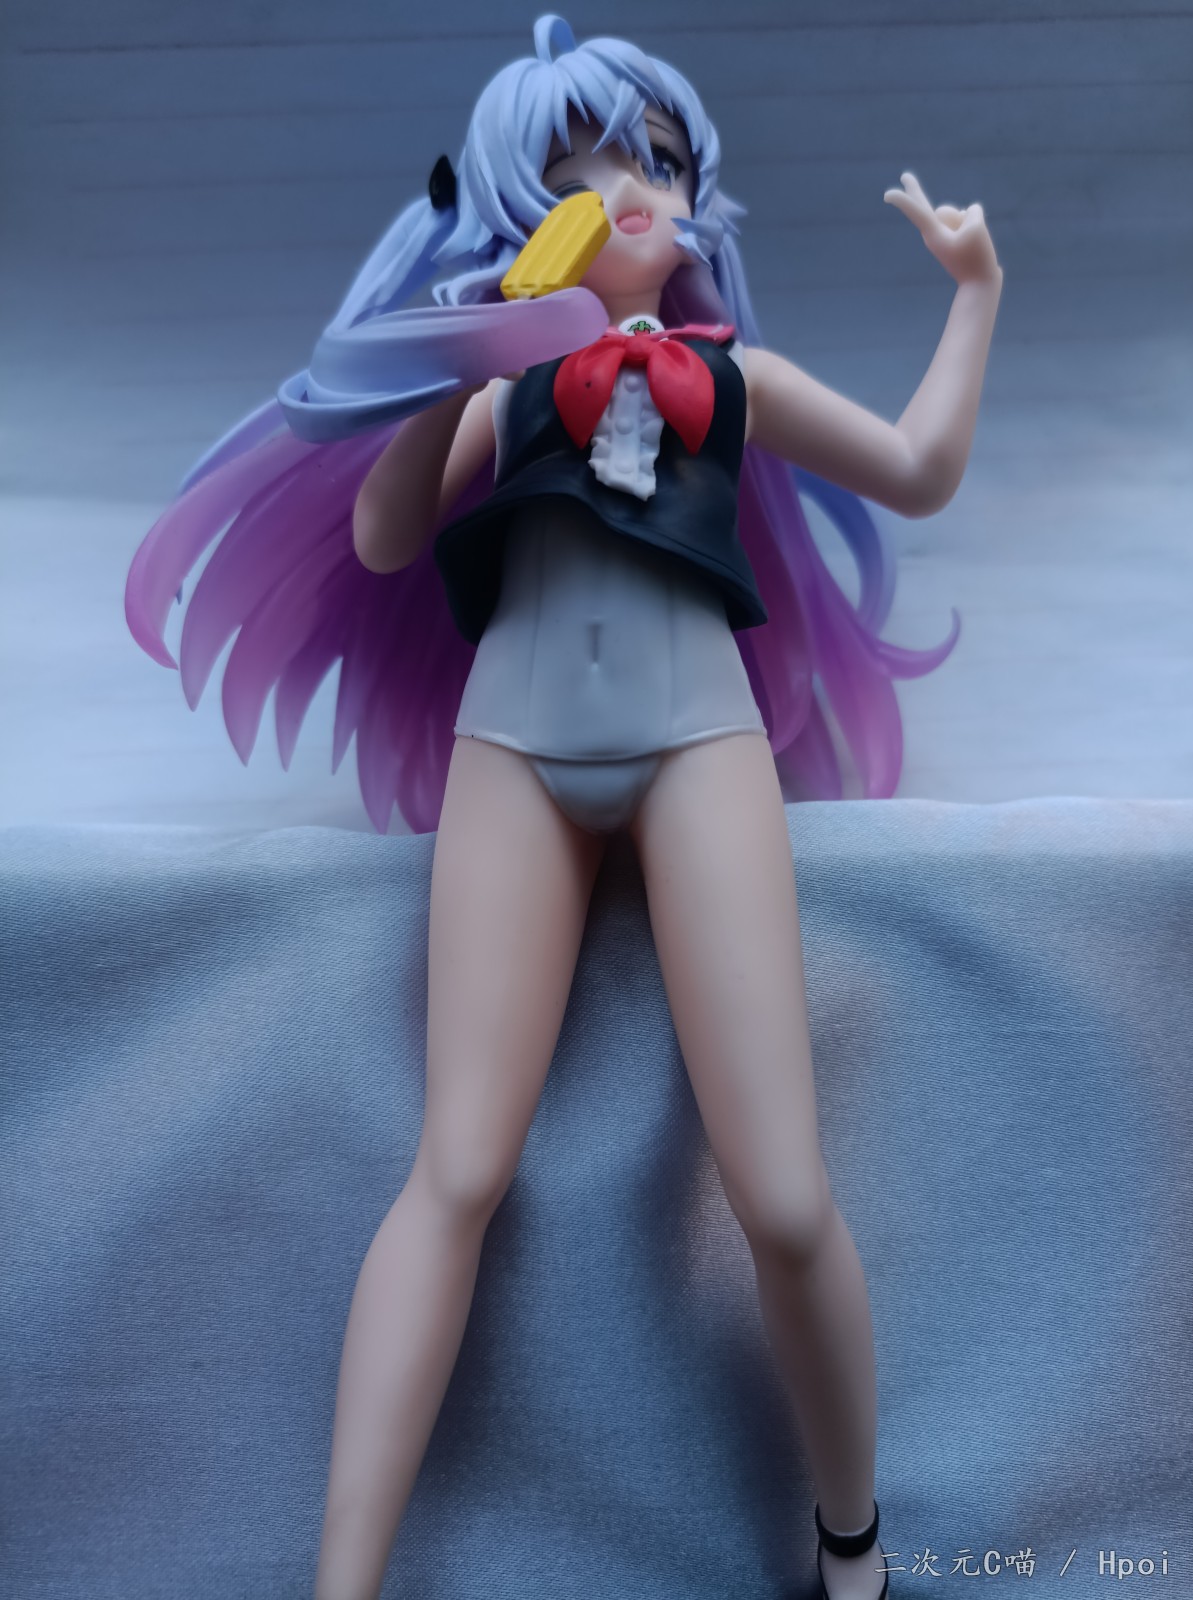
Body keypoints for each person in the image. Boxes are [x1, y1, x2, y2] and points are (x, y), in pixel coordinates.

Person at [126, 17, 1002, 1599]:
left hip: (698, 747)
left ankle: (853, 1541)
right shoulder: (502, 388)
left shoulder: (737, 378)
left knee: (782, 1190)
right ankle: (342, 1578)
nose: (627, 189)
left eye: (654, 159)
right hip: (516, 753)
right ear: (522, 210)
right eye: (581, 168)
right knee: (459, 1168)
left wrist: (976, 292)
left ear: (696, 199)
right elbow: (385, 537)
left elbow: (921, 470)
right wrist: (449, 361)